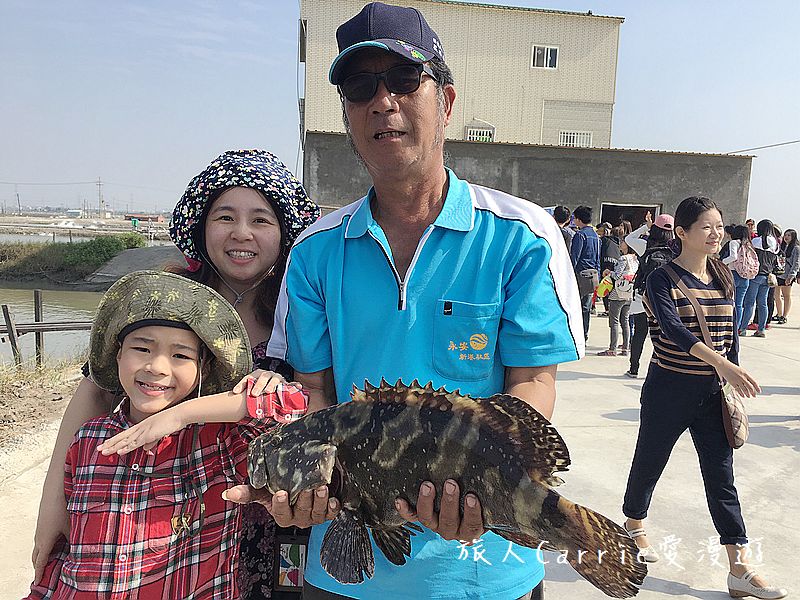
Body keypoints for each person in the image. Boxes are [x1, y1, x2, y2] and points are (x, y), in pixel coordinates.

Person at [231, 4, 584, 599]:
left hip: (483, 572)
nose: (382, 101)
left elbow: (532, 384)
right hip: (345, 576)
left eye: (403, 80)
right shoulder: (315, 252)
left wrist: (490, 484)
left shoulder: (523, 236)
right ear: (346, 115)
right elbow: (316, 396)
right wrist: (298, 491)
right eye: (360, 87)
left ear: (445, 102)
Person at [30, 149, 321, 600]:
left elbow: (315, 396)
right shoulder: (166, 298)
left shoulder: (303, 301)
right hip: (174, 511)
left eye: (261, 220)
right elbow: (94, 394)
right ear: (201, 226)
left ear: (284, 234)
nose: (241, 233)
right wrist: (54, 506)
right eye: (225, 216)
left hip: (271, 508)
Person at [25, 270, 307, 598]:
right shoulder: (88, 439)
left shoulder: (219, 441)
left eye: (180, 356)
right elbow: (67, 554)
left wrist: (180, 415)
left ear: (203, 368)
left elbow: (290, 405)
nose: (157, 366)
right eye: (142, 349)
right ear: (118, 355)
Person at [621, 197, 786, 599]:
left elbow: (728, 335)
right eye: (706, 227)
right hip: (669, 389)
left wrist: (732, 375)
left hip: (712, 393)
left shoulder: (724, 277)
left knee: (722, 478)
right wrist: (723, 365)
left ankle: (739, 568)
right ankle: (634, 522)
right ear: (681, 233)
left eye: (719, 225)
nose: (716, 234)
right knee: (650, 461)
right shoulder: (663, 278)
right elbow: (674, 330)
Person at [624, 212, 675, 378]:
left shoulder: (646, 245)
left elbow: (628, 239)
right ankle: (662, 369)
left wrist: (646, 226)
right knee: (663, 335)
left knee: (640, 333)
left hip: (642, 296)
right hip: (665, 298)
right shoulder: (676, 248)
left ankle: (634, 368)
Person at [597, 230, 637, 356]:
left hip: (618, 293)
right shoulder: (635, 259)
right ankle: (625, 348)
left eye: (624, 242)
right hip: (629, 293)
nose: (621, 243)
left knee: (613, 321)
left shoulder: (623, 258)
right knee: (624, 320)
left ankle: (612, 348)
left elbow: (618, 275)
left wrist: (609, 272)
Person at [740, 219, 779, 338]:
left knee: (749, 303)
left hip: (755, 275)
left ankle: (742, 328)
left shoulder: (757, 241)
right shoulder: (775, 243)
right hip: (768, 277)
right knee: (763, 304)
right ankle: (761, 329)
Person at [571, 205, 602, 340]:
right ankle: (584, 334)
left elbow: (574, 257)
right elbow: (598, 258)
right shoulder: (596, 236)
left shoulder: (580, 235)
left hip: (580, 275)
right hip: (593, 275)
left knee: (575, 306)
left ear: (578, 219)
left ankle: (575, 333)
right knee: (586, 308)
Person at [721, 224, 758, 332]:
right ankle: (738, 328)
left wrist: (722, 262)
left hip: (734, 274)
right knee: (739, 304)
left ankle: (731, 326)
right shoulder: (749, 245)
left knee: (730, 301)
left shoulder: (734, 242)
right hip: (745, 276)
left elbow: (733, 257)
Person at [774, 228, 798, 324]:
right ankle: (779, 314)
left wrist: (792, 275)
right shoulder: (781, 246)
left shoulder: (796, 248)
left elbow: (796, 263)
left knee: (786, 295)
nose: (786, 237)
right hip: (779, 273)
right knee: (776, 295)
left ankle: (784, 315)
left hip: (788, 275)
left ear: (793, 237)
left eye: (789, 235)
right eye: (785, 235)